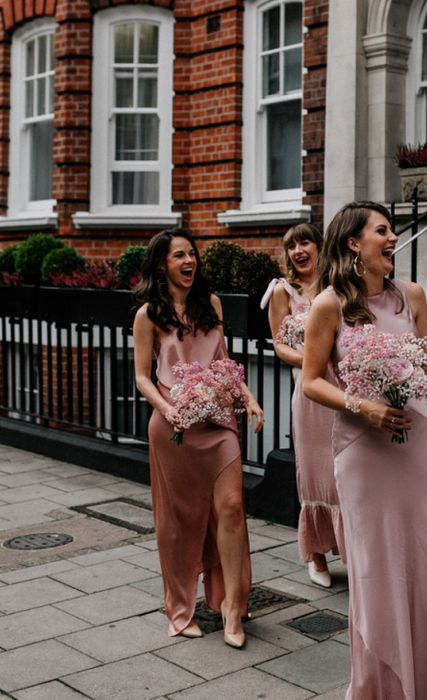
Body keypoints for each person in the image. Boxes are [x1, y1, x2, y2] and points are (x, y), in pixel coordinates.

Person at [302, 201, 427, 699]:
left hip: (416, 444)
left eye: (393, 229)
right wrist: (365, 407)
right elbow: (312, 381)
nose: (393, 236)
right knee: (377, 568)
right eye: (383, 230)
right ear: (354, 243)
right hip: (362, 451)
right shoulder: (328, 305)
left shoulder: (412, 296)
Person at [133, 229, 263, 648]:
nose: (189, 261)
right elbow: (140, 375)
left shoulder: (212, 304)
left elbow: (222, 360)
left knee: (231, 506)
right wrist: (167, 409)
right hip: (173, 426)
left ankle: (231, 608)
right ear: (161, 265)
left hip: (219, 420)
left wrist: (249, 396)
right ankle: (180, 607)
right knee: (178, 521)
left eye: (192, 254)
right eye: (179, 256)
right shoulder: (148, 315)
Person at [261, 223, 345, 588]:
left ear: (319, 246)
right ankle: (316, 555)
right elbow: (279, 345)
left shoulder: (337, 287)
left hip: (342, 388)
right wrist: (312, 359)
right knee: (313, 472)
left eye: (304, 242)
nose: (298, 250)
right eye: (291, 245)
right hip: (310, 393)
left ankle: (350, 548)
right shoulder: (282, 291)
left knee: (344, 472)